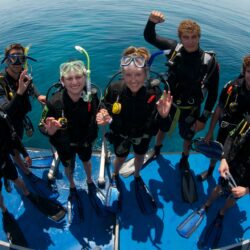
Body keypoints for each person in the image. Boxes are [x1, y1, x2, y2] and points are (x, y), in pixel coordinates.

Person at [144, 11, 219, 170]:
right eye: (186, 37)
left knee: (188, 136)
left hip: (191, 109)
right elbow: (150, 37)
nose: (190, 41)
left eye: (193, 37)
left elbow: (212, 93)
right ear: (180, 38)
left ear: (199, 37)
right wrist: (151, 22)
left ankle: (184, 158)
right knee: (162, 128)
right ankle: (156, 149)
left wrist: (203, 119)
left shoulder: (209, 61)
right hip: (169, 103)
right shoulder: (173, 49)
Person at [96, 46, 172, 190]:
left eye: (138, 74)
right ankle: (115, 174)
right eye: (128, 75)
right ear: (122, 74)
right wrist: (103, 114)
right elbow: (103, 105)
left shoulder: (154, 92)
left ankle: (137, 175)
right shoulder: (115, 89)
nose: (133, 80)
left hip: (143, 137)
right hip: (120, 135)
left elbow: (165, 127)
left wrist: (164, 115)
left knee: (140, 156)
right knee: (119, 158)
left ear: (146, 74)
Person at [38, 59, 99, 203]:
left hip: (85, 141)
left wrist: (103, 115)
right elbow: (41, 125)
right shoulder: (54, 102)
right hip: (65, 144)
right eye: (69, 78)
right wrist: (50, 131)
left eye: (78, 77)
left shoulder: (91, 96)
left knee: (87, 161)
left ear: (85, 78)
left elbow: (99, 111)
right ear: (62, 81)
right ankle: (72, 185)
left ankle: (89, 180)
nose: (74, 82)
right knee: (67, 166)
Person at [199, 54, 250, 180]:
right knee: (217, 151)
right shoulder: (232, 87)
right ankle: (210, 171)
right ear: (244, 71)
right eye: (249, 71)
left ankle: (227, 181)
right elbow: (218, 109)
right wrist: (210, 132)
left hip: (244, 135)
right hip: (226, 128)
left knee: (237, 159)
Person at [0, 43, 46, 179]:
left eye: (21, 58)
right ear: (7, 60)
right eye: (13, 58)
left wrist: (38, 96)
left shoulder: (23, 75)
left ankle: (19, 157)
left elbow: (31, 86)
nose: (18, 62)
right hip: (7, 124)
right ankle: (23, 170)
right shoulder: (1, 82)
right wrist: (19, 92)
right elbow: (5, 111)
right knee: (14, 148)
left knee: (19, 140)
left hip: (20, 119)